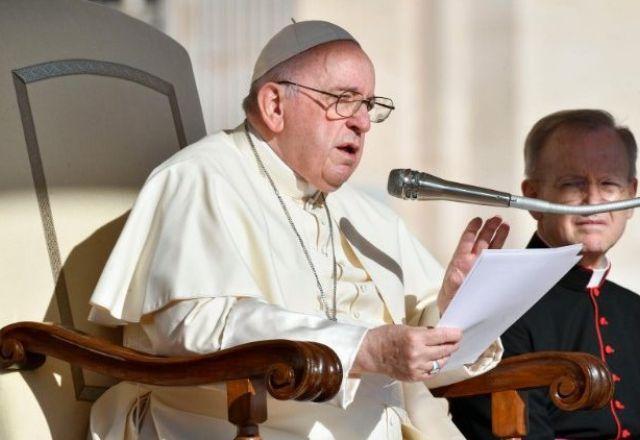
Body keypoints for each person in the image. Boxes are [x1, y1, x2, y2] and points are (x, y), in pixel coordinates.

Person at [87, 20, 508, 439]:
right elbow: (192, 326)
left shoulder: (366, 213)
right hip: (242, 426)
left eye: (368, 105)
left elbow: (423, 354)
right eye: (343, 100)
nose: (362, 122)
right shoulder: (199, 178)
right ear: (274, 106)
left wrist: (455, 307)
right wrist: (362, 348)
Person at [450, 109, 640, 439]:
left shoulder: (633, 310)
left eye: (609, 183)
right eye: (573, 184)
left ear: (630, 196)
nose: (593, 201)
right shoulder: (497, 303)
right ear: (534, 198)